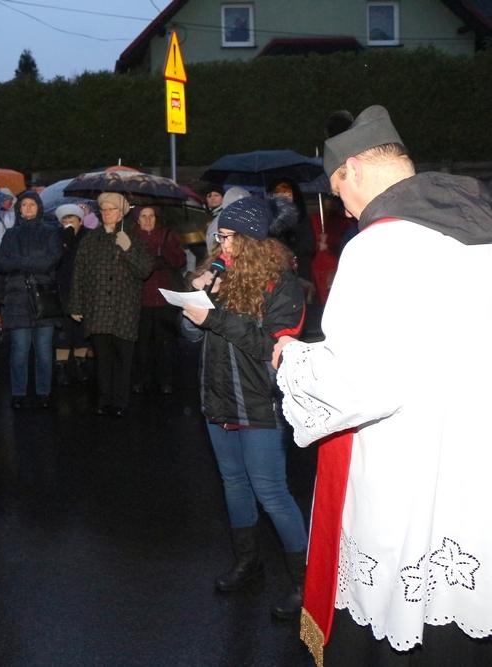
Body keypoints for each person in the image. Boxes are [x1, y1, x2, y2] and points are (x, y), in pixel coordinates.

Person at [273, 105, 492, 665]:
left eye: (337, 190)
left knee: (400, 620)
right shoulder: (480, 230)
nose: (343, 208)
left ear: (353, 169)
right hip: (473, 460)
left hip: (407, 469)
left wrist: (293, 359)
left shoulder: (378, 246)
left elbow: (361, 381)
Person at [180, 197, 308, 622]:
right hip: (217, 397)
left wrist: (214, 317)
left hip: (258, 401)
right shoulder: (218, 273)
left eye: (231, 237)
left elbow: (272, 348)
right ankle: (248, 562)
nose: (223, 244)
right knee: (233, 484)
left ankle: (305, 581)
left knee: (271, 492)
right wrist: (196, 303)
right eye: (220, 235)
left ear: (254, 241)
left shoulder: (282, 284)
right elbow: (191, 336)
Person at [67, 192, 152, 417]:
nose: (106, 213)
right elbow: (79, 273)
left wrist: (128, 249)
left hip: (125, 308)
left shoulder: (134, 238)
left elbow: (145, 270)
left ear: (121, 212)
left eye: (111, 209)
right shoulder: (90, 239)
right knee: (102, 359)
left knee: (124, 358)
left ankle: (121, 401)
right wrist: (76, 305)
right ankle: (104, 400)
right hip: (98, 308)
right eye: (103, 209)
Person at [0, 190, 63, 408]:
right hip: (17, 300)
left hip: (44, 297)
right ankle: (18, 392)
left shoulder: (51, 232)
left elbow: (51, 261)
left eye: (32, 204)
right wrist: (32, 262)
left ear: (39, 207)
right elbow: (2, 263)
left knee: (44, 351)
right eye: (24, 205)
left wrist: (19, 262)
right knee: (19, 350)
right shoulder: (10, 235)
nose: (28, 208)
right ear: (19, 209)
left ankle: (44, 392)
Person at [132, 205, 186, 395]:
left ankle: (166, 380)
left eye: (151, 216)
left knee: (166, 343)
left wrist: (165, 253)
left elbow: (180, 260)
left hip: (165, 298)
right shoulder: (132, 237)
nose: (148, 220)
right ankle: (142, 379)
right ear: (137, 219)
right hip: (140, 299)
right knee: (142, 343)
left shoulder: (167, 235)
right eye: (143, 216)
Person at [52, 203, 92, 385]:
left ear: (80, 221)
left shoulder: (88, 237)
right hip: (62, 289)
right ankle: (61, 367)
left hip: (84, 289)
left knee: (81, 330)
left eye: (72, 219)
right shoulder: (56, 237)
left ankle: (80, 364)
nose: (68, 223)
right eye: (65, 220)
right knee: (63, 332)